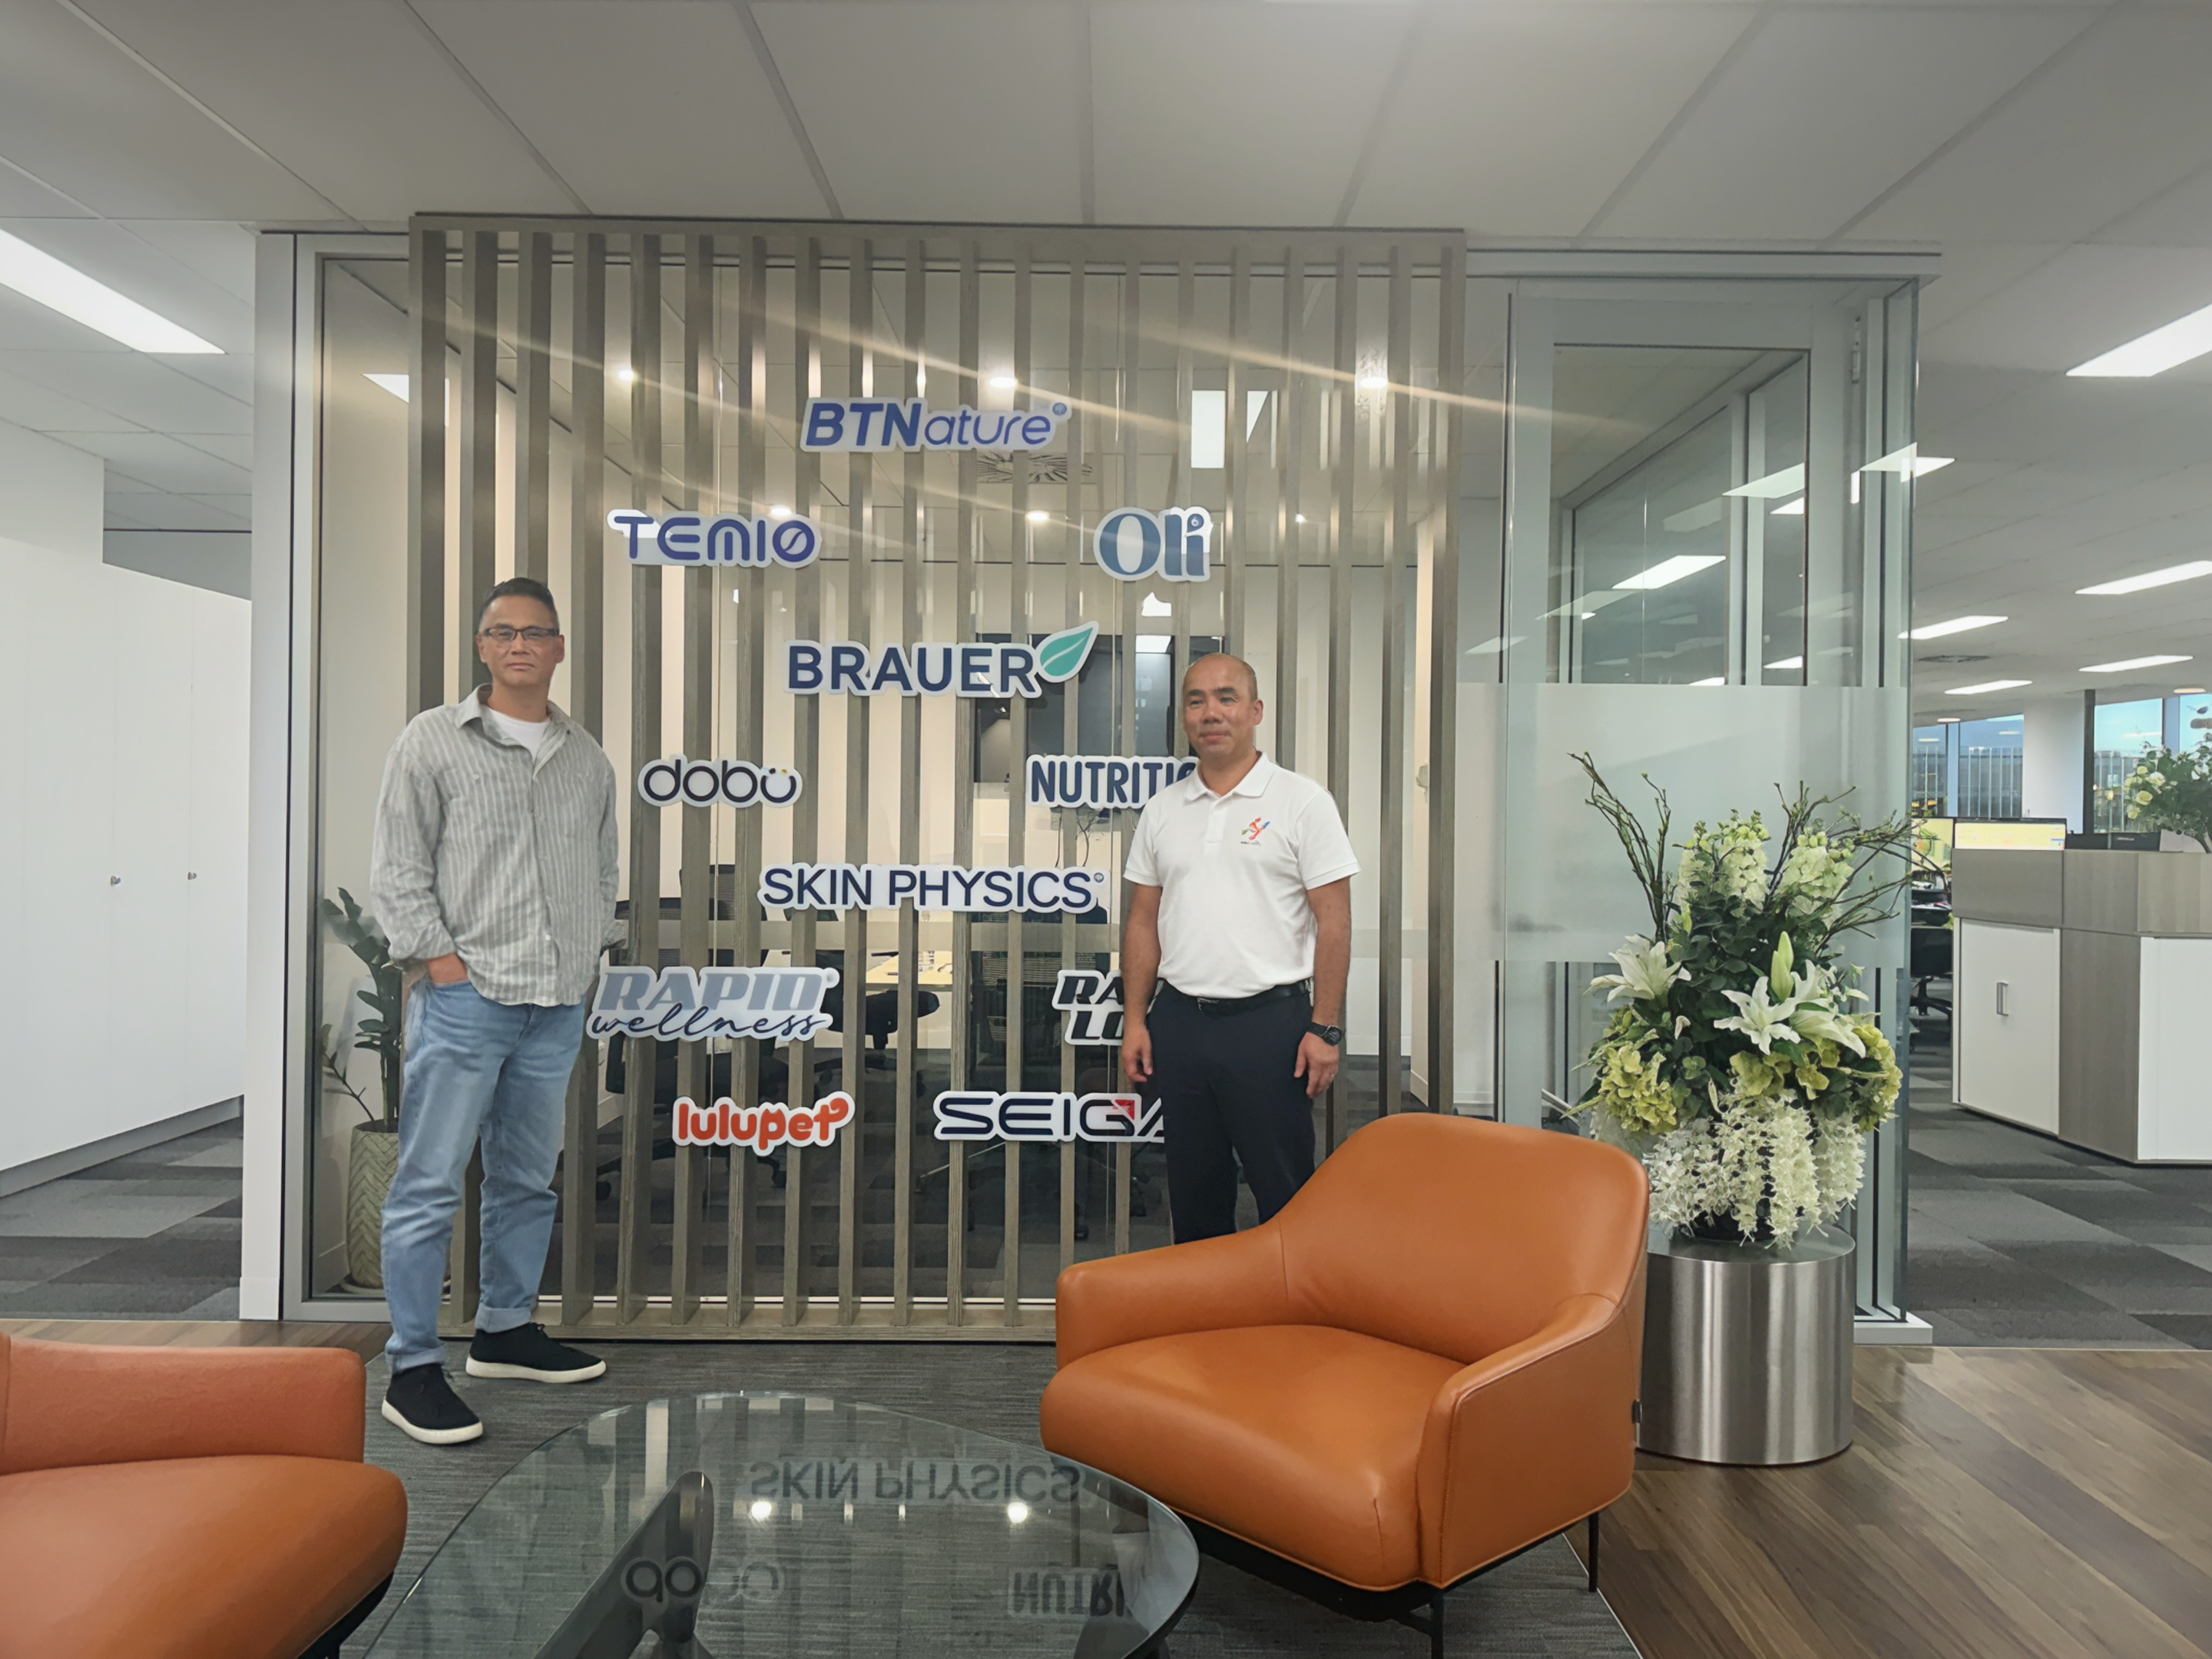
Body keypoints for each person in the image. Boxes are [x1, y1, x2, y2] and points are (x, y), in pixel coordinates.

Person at [369, 576, 620, 1445]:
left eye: (536, 632)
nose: (520, 645)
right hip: (467, 997)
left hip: (555, 1001)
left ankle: (505, 1330)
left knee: (525, 1178)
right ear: (482, 646)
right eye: (503, 631)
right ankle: (412, 1367)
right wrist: (441, 964)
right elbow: (398, 866)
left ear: (558, 648)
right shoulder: (433, 742)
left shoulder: (585, 758)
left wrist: (583, 957)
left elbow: (602, 869)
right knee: (429, 1182)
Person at [1119, 652, 1357, 1242]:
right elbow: (1143, 921)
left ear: (1255, 711)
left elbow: (1334, 922)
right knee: (1194, 1193)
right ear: (1183, 717)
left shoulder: (1302, 802)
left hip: (1270, 1028)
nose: (1211, 713)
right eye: (1196, 700)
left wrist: (1325, 1028)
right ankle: (1207, 1299)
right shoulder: (1162, 810)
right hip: (1181, 1024)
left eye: (1226, 698)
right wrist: (1135, 1020)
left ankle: (1294, 1300)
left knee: (1286, 1194)